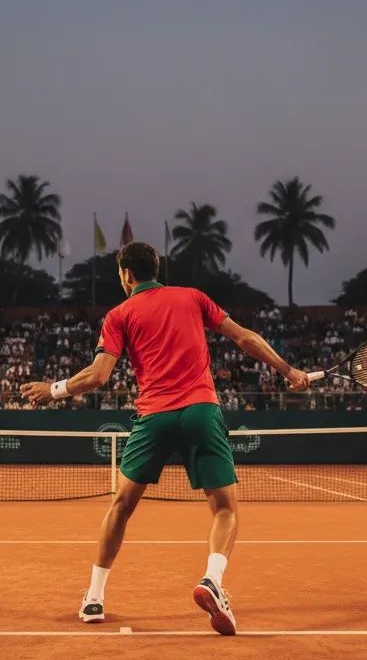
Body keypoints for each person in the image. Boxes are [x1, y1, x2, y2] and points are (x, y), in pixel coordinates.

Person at [20, 242, 309, 636]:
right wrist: (288, 370)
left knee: (120, 506)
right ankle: (212, 580)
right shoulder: (192, 297)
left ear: (125, 274)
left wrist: (52, 390)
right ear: (156, 269)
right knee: (225, 509)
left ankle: (94, 597)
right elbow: (244, 338)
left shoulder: (119, 314)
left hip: (154, 416)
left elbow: (98, 376)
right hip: (201, 411)